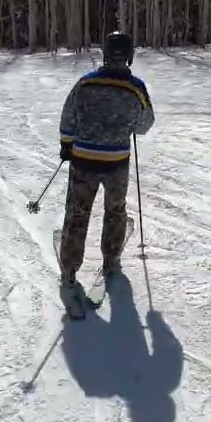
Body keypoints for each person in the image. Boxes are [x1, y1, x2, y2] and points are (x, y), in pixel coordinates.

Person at [57, 30, 154, 292]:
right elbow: (145, 125)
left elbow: (69, 114)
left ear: (105, 54)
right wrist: (128, 122)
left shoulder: (86, 84)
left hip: (84, 160)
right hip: (116, 163)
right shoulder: (136, 87)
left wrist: (67, 143)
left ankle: (69, 266)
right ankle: (111, 259)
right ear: (130, 56)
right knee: (115, 211)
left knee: (77, 213)